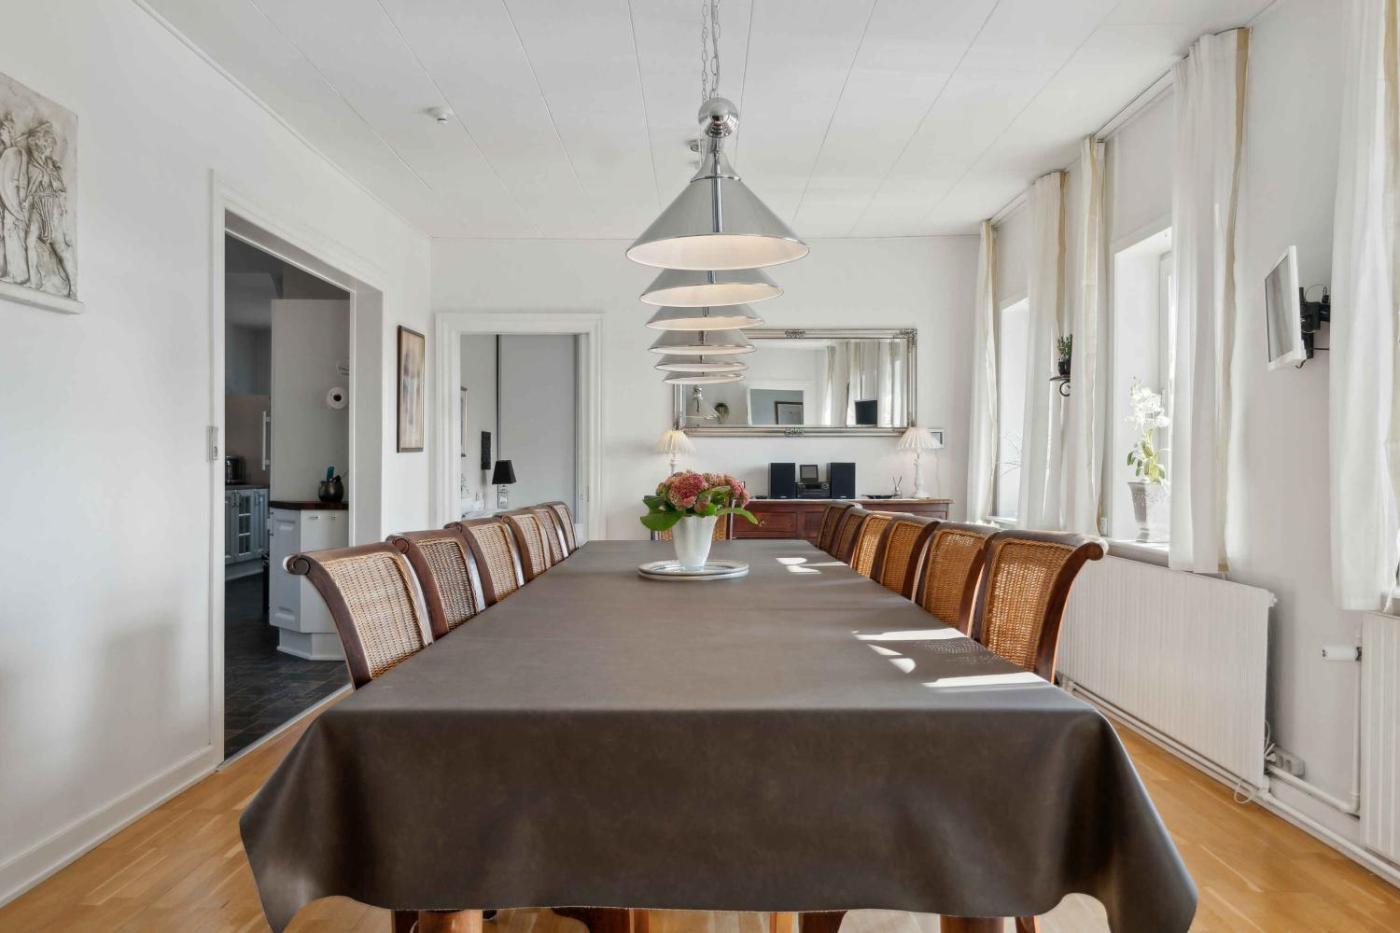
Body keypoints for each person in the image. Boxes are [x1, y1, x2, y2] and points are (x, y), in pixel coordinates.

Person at [20, 122, 76, 297]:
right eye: (46, 145)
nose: (47, 148)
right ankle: (33, 281)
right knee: (30, 241)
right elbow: (30, 184)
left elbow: (60, 190)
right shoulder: (33, 164)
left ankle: (73, 287)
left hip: (51, 210)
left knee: (61, 250)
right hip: (37, 207)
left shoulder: (52, 166)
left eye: (48, 145)